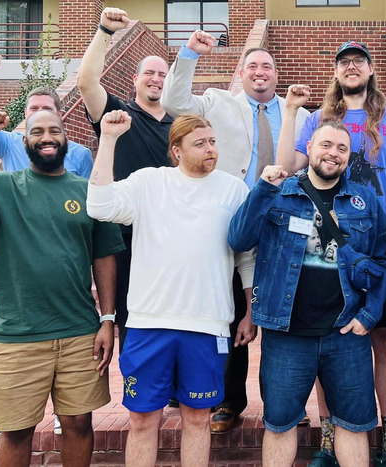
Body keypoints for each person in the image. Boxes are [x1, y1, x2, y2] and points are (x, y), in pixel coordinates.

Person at [0, 107, 124, 467]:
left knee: (79, 424)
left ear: (67, 139)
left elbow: (105, 256)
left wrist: (107, 318)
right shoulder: (0, 187)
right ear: (24, 141)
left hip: (79, 332)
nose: (47, 138)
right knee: (16, 431)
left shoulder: (88, 192)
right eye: (37, 132)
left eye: (54, 131)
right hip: (16, 336)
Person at [278, 41, 386, 467]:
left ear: (372, 69)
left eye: (359, 61)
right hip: (326, 249)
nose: (352, 67)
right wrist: (291, 115)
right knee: (332, 333)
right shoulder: (320, 119)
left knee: (385, 339)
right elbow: (290, 167)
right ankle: (327, 440)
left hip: (379, 244)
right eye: (344, 62)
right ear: (337, 72)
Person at [86, 111, 255, 467]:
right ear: (176, 150)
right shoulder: (149, 183)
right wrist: (109, 139)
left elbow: (247, 258)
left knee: (197, 419)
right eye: (200, 144)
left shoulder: (234, 189)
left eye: (212, 142)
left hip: (208, 326)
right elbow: (99, 206)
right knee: (143, 420)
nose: (211, 149)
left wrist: (250, 312)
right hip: (149, 324)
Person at [160, 29, 310, 433]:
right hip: (230, 220)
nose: (260, 72)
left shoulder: (302, 115)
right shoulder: (217, 102)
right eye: (252, 66)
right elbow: (173, 102)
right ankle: (228, 400)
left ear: (277, 75)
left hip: (287, 225)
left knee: (291, 315)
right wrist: (189, 54)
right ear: (241, 73)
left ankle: (290, 399)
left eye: (268, 66)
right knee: (228, 312)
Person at [228, 119, 386, 467]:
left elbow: (383, 262)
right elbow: (239, 239)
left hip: (346, 334)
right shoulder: (279, 192)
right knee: (280, 424)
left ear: (349, 156)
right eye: (325, 145)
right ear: (311, 149)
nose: (333, 153)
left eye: (342, 148)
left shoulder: (364, 200)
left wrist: (370, 315)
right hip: (286, 334)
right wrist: (261, 189)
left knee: (353, 425)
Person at [77, 6, 174, 350]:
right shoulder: (118, 114)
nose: (156, 79)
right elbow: (86, 82)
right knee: (131, 315)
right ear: (135, 79)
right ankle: (140, 389)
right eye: (150, 73)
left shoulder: (181, 125)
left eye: (163, 75)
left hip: (171, 233)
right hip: (127, 235)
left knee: (173, 311)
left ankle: (177, 389)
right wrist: (104, 32)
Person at [0, 51, 93, 178]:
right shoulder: (10, 144)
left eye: (47, 108)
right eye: (34, 108)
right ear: (26, 113)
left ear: (59, 114)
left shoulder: (80, 155)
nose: (40, 112)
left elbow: (88, 197)